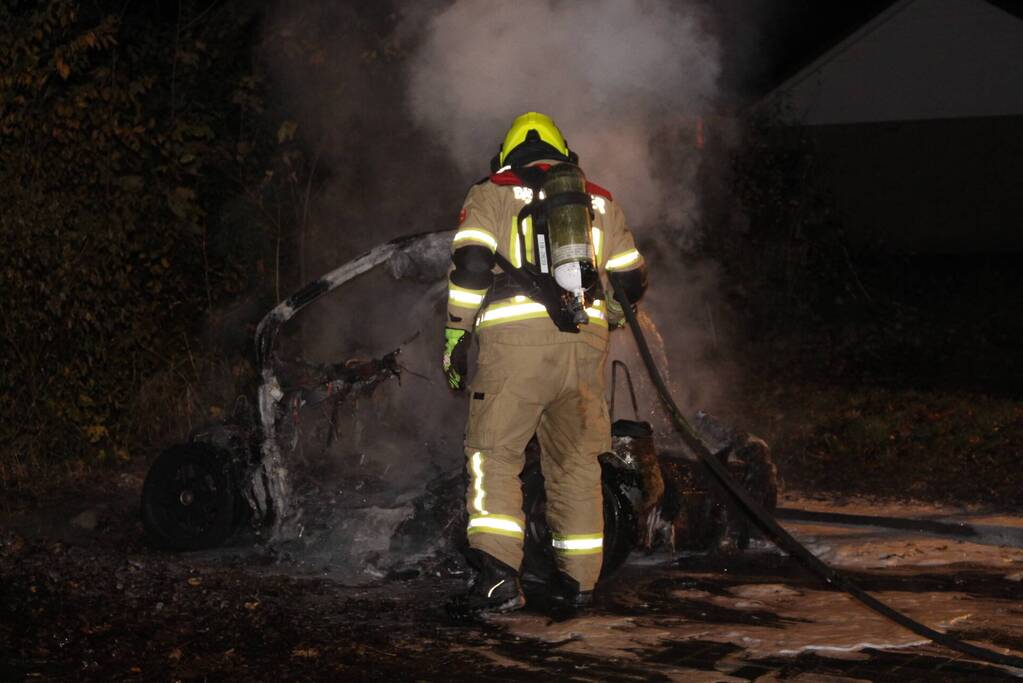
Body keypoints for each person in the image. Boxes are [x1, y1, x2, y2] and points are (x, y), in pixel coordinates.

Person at [442, 112, 647, 612]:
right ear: (564, 155)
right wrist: (609, 319)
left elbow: (472, 265)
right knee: (576, 465)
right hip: (583, 349)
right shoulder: (600, 200)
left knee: (495, 456)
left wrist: (455, 334)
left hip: (515, 349)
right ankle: (580, 585)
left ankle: (497, 582)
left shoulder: (492, 192)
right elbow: (631, 279)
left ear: (506, 154)